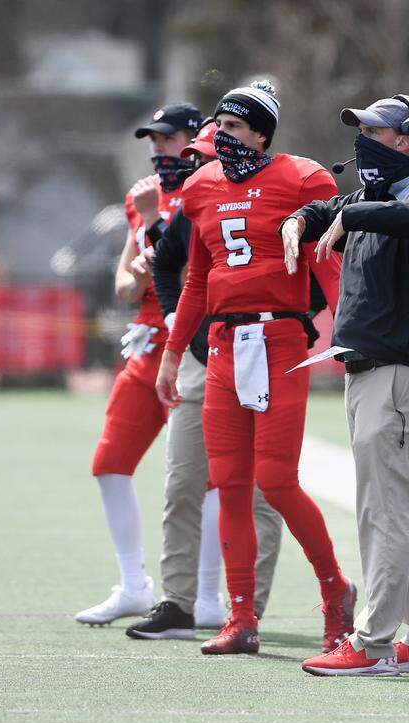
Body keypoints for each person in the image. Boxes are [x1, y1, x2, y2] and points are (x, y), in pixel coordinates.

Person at [156, 81, 356, 656]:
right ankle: (240, 617)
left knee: (275, 479)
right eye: (219, 125)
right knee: (230, 483)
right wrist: (172, 353)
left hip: (278, 341)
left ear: (262, 134)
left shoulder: (302, 178)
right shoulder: (200, 186)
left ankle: (335, 591)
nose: (222, 135)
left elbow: (327, 261)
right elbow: (196, 278)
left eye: (236, 126)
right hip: (221, 342)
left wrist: (346, 333)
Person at [288, 94, 409, 676]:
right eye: (360, 130)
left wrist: (351, 214)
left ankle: (373, 641)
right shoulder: (370, 196)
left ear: (407, 141)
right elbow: (326, 210)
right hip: (371, 371)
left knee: (383, 511)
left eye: (375, 133)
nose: (362, 142)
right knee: (403, 509)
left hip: (402, 374)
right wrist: (299, 219)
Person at [123, 120, 285, 639]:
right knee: (182, 481)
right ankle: (177, 602)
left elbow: (308, 266)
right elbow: (169, 266)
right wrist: (176, 325)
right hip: (203, 356)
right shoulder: (197, 203)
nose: (196, 165)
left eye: (205, 155)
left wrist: (294, 324)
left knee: (264, 488)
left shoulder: (278, 192)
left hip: (264, 351)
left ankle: (250, 607)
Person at [75, 102, 203, 627]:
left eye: (167, 139)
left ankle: (210, 596)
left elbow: (204, 271)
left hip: (197, 344)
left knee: (203, 478)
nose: (157, 149)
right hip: (149, 342)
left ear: (194, 139)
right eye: (152, 140)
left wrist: (157, 233)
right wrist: (148, 260)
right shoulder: (139, 195)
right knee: (109, 464)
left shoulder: (209, 189)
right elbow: (126, 285)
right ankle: (133, 584)